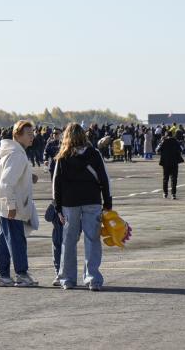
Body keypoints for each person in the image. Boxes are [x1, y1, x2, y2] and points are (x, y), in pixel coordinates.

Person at [53, 123, 112, 291]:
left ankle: (68, 279)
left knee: (69, 241)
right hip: (92, 200)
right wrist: (107, 202)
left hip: (69, 203)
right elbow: (104, 179)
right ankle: (93, 278)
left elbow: (56, 183)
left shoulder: (63, 157)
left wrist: (57, 207)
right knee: (92, 239)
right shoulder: (94, 154)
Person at [0, 120, 39, 287]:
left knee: (4, 239)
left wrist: (29, 177)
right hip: (10, 205)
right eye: (28, 134)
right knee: (16, 239)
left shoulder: (12, 152)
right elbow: (7, 182)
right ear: (17, 136)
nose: (32, 136)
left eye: (33, 133)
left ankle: (3, 275)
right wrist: (11, 205)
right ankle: (21, 274)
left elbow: (9, 177)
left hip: (1, 203)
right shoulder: (17, 154)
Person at [157, 130, 184, 199]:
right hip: (174, 162)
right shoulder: (176, 142)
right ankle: (173, 194)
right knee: (174, 179)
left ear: (166, 135)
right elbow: (181, 149)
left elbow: (157, 150)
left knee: (165, 178)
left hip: (165, 162)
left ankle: (165, 193)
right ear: (172, 135)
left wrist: (161, 142)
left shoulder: (164, 141)